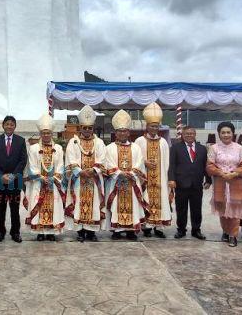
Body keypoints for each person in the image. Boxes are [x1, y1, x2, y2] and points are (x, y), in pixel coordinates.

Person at [64, 105, 106, 242]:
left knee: (93, 204)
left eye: (90, 128)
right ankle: (81, 231)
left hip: (93, 179)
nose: (87, 130)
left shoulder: (99, 142)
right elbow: (70, 158)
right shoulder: (73, 142)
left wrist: (93, 170)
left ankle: (91, 232)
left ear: (93, 128)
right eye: (84, 127)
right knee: (78, 203)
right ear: (80, 127)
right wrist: (80, 171)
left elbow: (102, 158)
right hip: (78, 179)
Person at [206, 121, 242, 247]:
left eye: (228, 132)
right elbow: (209, 166)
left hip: (236, 183)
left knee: (235, 210)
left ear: (233, 133)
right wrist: (220, 172)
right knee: (223, 210)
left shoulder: (239, 148)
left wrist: (235, 173)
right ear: (219, 134)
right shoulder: (214, 148)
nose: (226, 135)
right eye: (223, 133)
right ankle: (225, 231)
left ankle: (233, 235)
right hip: (220, 182)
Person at [105, 110, 147, 241]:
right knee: (115, 204)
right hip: (116, 182)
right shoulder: (109, 147)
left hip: (132, 182)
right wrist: (119, 173)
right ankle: (116, 230)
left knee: (133, 205)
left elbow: (139, 162)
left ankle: (130, 231)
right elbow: (108, 163)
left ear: (129, 132)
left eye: (124, 131)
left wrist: (131, 173)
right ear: (115, 133)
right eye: (119, 131)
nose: (122, 133)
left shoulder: (136, 148)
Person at [24, 113, 65, 241]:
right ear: (40, 133)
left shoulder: (58, 148)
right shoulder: (34, 148)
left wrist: (54, 178)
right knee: (38, 204)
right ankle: (40, 232)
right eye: (44, 133)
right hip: (38, 182)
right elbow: (31, 166)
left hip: (53, 183)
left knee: (54, 205)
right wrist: (41, 177)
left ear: (52, 133)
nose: (46, 135)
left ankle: (51, 231)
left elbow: (61, 166)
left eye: (48, 133)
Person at [134, 103, 171, 238]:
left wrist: (164, 176)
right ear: (147, 126)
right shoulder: (139, 141)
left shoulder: (163, 142)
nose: (154, 128)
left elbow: (167, 161)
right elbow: (135, 158)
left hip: (160, 178)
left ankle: (158, 227)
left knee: (160, 200)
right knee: (146, 199)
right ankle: (147, 227)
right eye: (152, 126)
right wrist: (144, 163)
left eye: (156, 126)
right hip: (145, 178)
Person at [0, 115, 28, 243]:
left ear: (15, 126)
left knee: (14, 208)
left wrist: (13, 175)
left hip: (15, 181)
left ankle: (15, 232)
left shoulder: (21, 141)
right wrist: (1, 175)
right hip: (0, 181)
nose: (9, 126)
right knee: (0, 208)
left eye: (12, 124)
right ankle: (0, 232)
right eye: (7, 124)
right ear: (3, 125)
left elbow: (23, 160)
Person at [167, 126, 209, 240]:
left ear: (195, 134)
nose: (189, 135)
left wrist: (208, 180)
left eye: (191, 133)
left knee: (197, 209)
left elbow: (206, 166)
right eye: (187, 134)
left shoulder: (202, 149)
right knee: (181, 209)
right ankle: (181, 230)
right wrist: (171, 179)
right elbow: (172, 165)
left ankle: (196, 230)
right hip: (181, 184)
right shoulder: (175, 148)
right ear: (182, 135)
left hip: (197, 184)